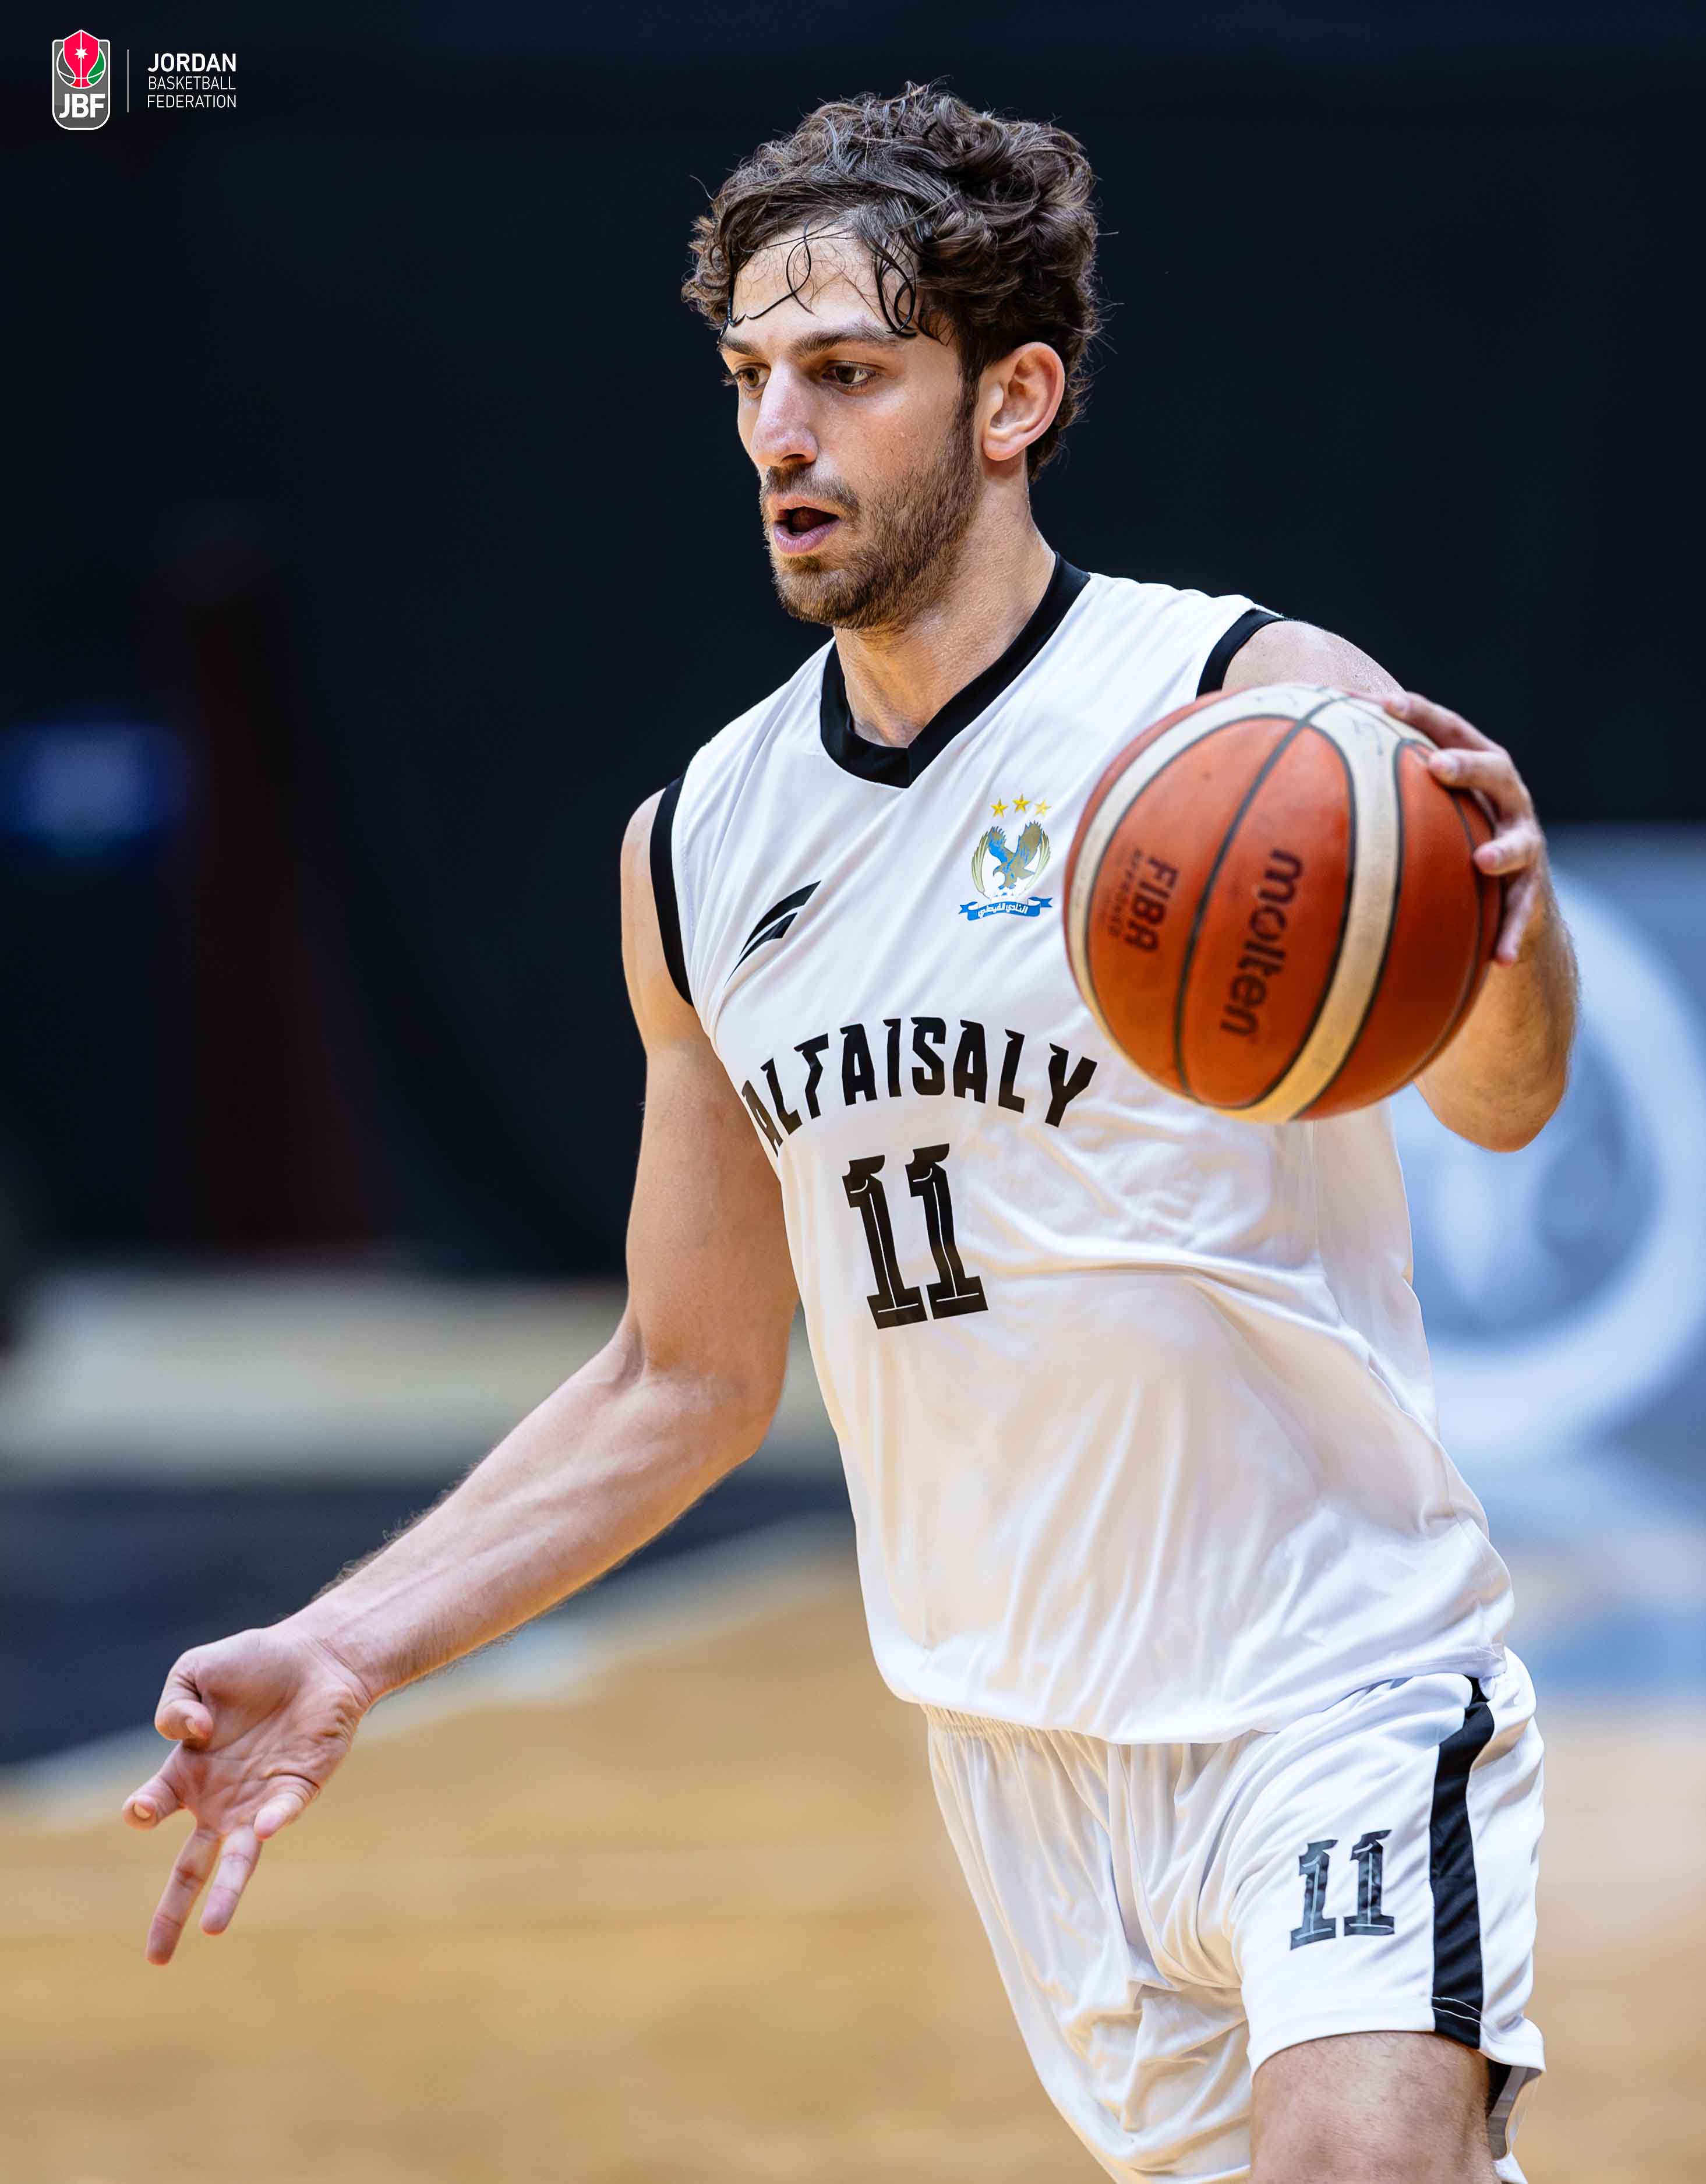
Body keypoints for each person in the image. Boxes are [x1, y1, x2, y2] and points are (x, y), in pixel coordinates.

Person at [123, 84, 1578, 2184]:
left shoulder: (1250, 712)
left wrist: (1515, 942)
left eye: (846, 373)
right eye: (749, 379)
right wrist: (346, 1646)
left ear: (1015, 398)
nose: (779, 434)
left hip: (1338, 1686)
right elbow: (684, 1375)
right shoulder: (702, 847)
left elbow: (1504, 1105)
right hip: (1019, 1751)